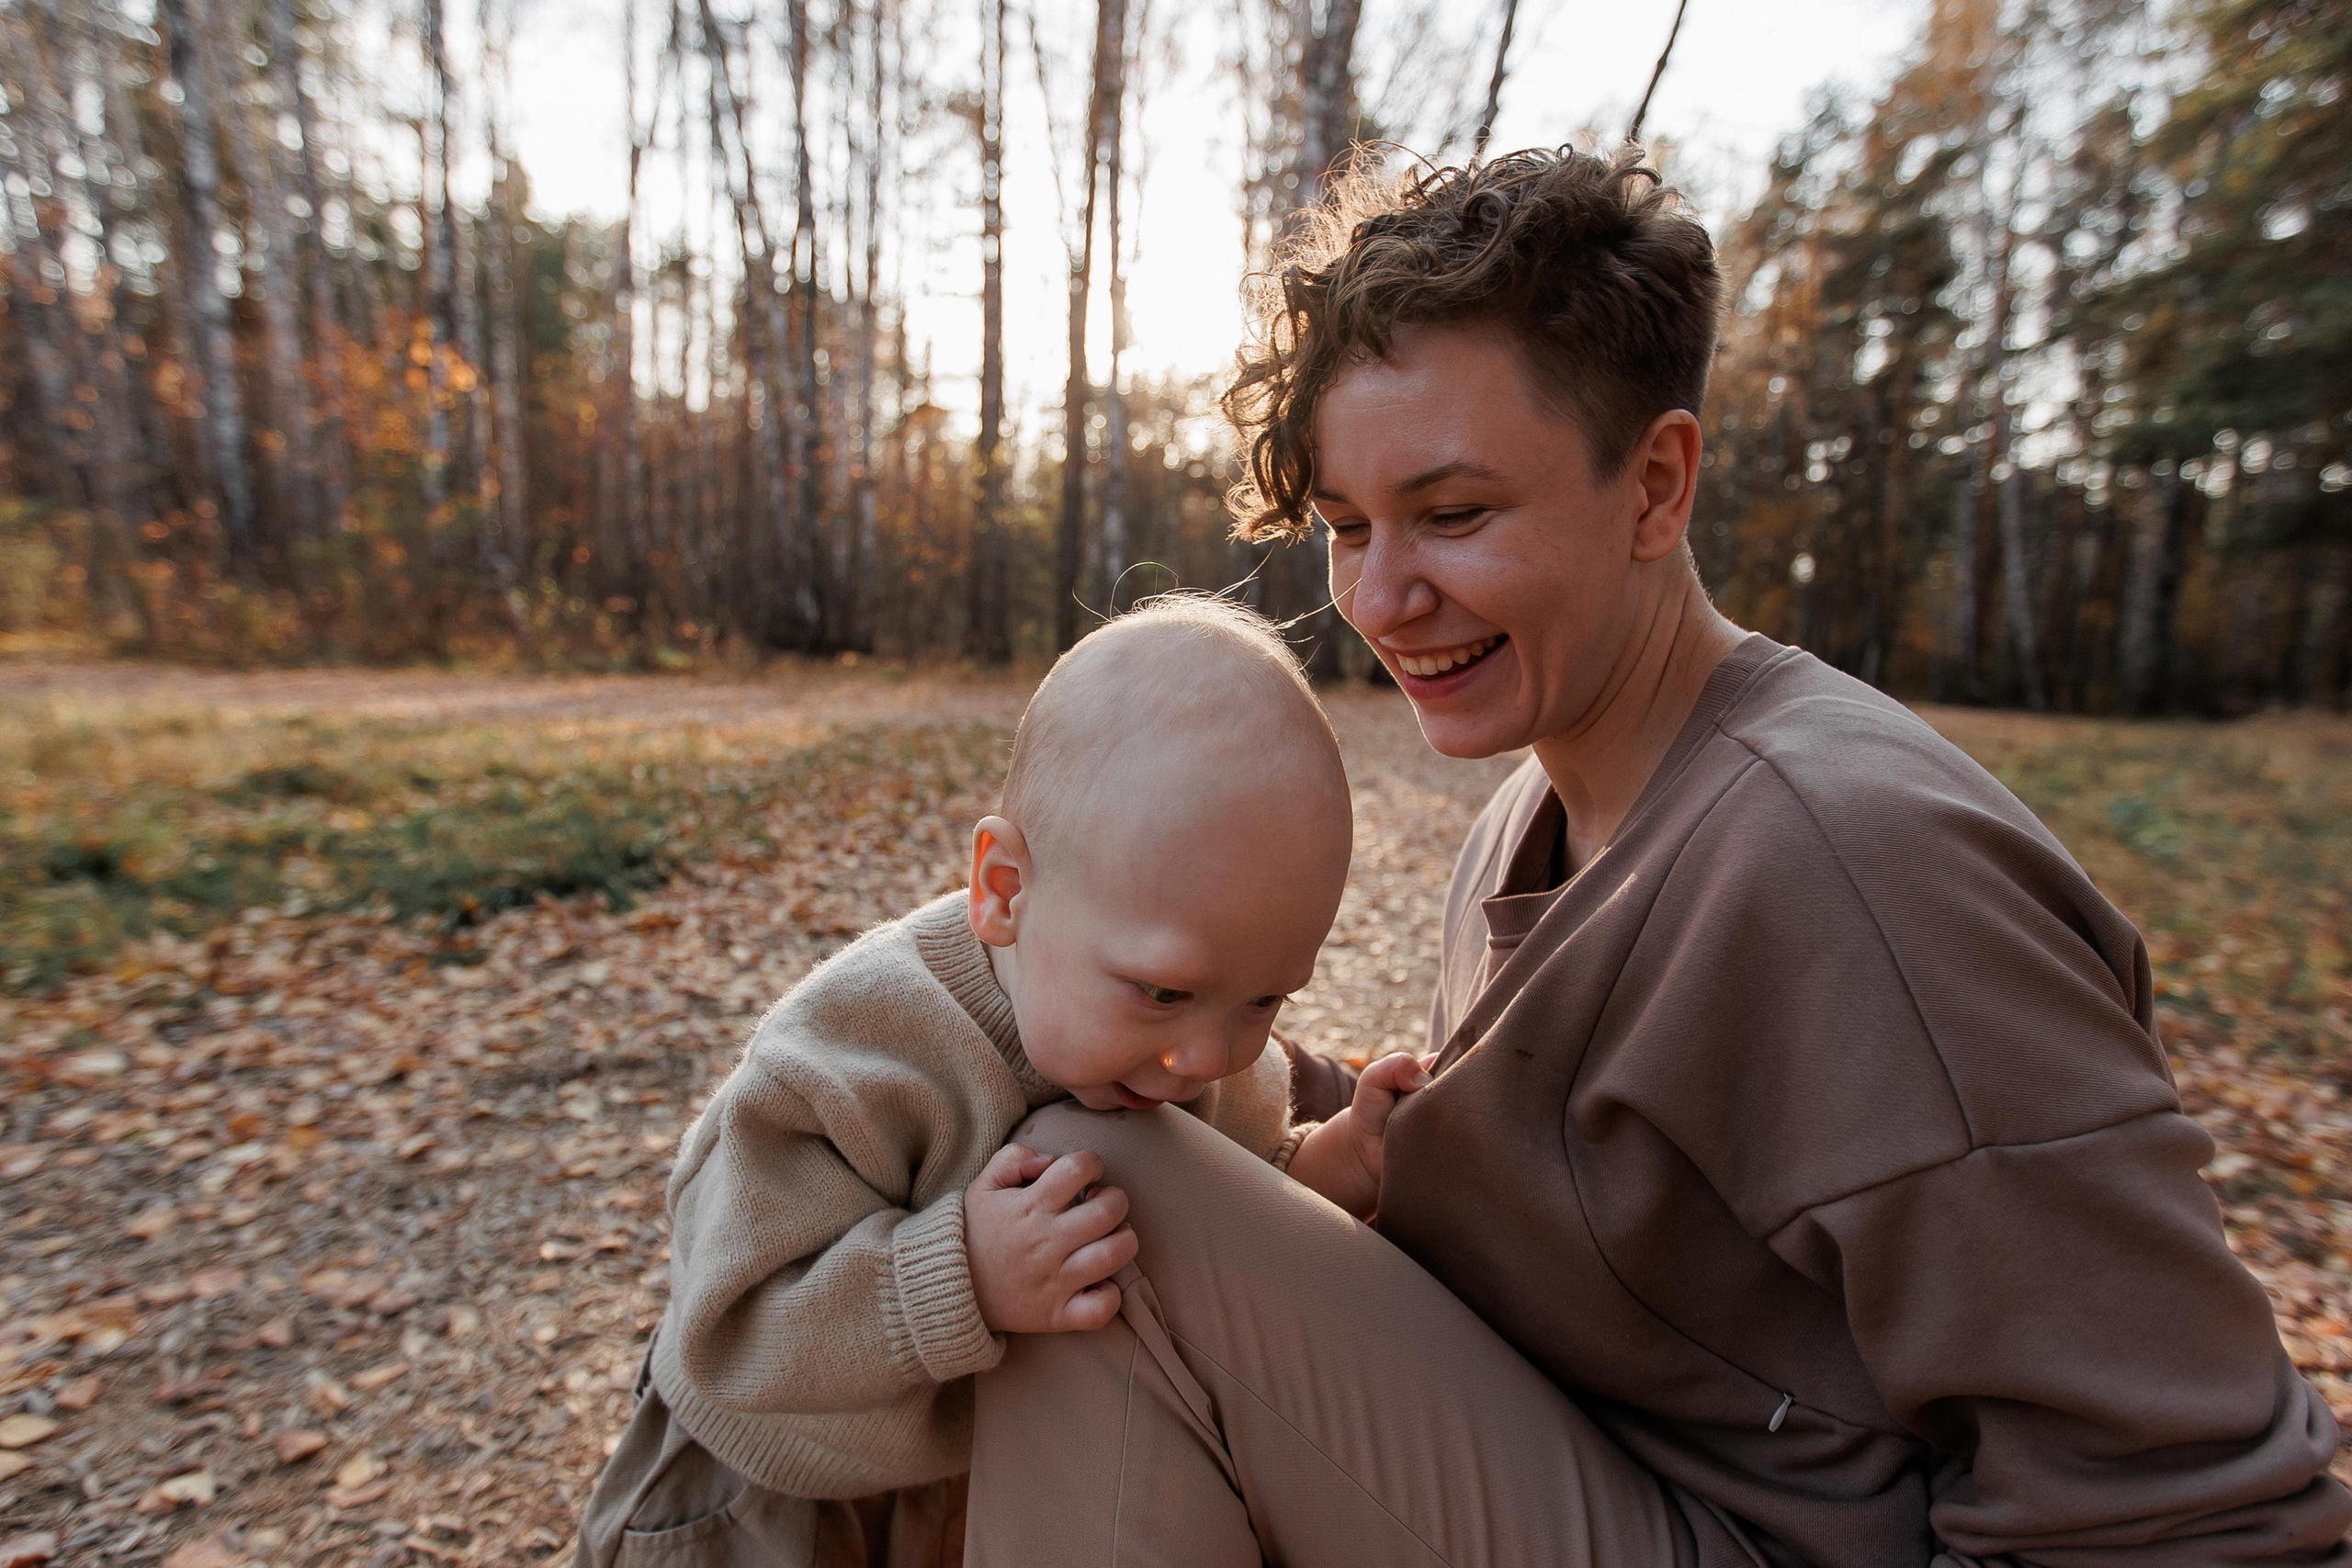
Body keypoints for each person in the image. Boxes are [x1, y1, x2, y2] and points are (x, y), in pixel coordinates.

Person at [961, 146, 2352, 1566]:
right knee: (1054, 1180)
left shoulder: (1857, 865)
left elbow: (2203, 1510)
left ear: (1656, 485)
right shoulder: (1537, 807)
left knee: (1098, 1196)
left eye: (1454, 514)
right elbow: (1573, 1200)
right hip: (1594, 1460)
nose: (1379, 596)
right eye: (1347, 527)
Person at [573, 595, 1430, 1566]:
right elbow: (729, 1333)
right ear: (1003, 890)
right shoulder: (857, 1051)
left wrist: (1338, 1162)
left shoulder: (1190, 1043)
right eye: (1163, 992)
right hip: (763, 1495)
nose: (1206, 1057)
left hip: (965, 1486)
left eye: (1266, 999)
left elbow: (1229, 1207)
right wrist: (963, 1274)